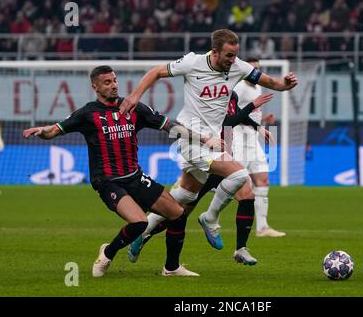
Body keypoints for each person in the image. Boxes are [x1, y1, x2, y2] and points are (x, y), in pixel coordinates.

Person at [22, 65, 223, 277]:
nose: (114, 86)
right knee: (139, 222)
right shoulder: (88, 113)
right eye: (107, 82)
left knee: (178, 214)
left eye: (115, 80)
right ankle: (108, 252)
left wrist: (204, 139)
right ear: (95, 87)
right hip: (108, 181)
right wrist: (42, 131)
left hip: (135, 176)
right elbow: (54, 130)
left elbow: (169, 127)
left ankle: (171, 268)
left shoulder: (133, 107)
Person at [119, 29, 297, 259]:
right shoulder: (192, 63)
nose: (233, 61)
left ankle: (142, 234)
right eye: (229, 56)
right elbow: (156, 72)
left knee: (184, 198)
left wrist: (284, 84)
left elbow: (270, 81)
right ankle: (210, 218)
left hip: (214, 141)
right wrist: (134, 96)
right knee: (240, 174)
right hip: (191, 137)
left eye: (235, 55)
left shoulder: (238, 67)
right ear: (215, 52)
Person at [128, 91, 274, 265]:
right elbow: (226, 122)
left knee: (247, 193)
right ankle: (145, 233)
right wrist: (253, 105)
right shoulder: (209, 93)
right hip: (202, 151)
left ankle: (240, 248)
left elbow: (235, 115)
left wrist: (258, 127)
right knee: (180, 209)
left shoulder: (231, 94)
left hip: (221, 154)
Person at [232, 58, 286, 238]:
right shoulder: (239, 87)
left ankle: (262, 227)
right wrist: (260, 127)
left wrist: (263, 120)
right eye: (252, 69)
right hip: (238, 139)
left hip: (253, 140)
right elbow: (235, 115)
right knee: (236, 183)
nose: (255, 73)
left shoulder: (257, 87)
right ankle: (211, 211)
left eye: (258, 69)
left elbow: (250, 113)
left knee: (263, 181)